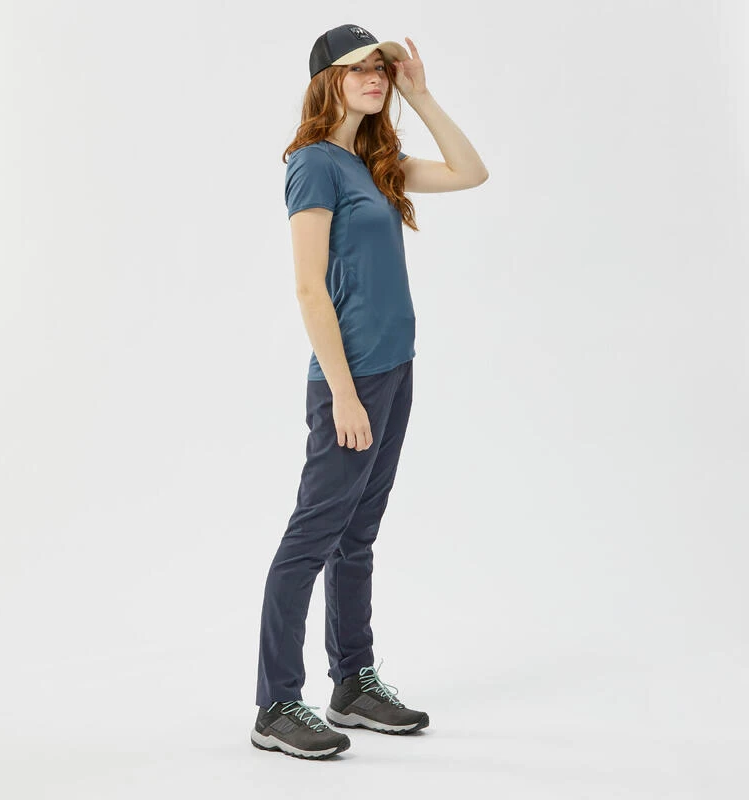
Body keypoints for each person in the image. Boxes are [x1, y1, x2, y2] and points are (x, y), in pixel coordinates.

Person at [251, 24, 489, 761]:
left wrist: (423, 96)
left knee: (357, 536)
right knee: (311, 537)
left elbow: (471, 171)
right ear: (328, 80)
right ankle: (275, 703)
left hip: (395, 370)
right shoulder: (313, 165)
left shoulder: (376, 164)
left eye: (382, 68)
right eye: (361, 67)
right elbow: (308, 289)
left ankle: (352, 683)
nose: (376, 77)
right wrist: (344, 395)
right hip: (348, 381)